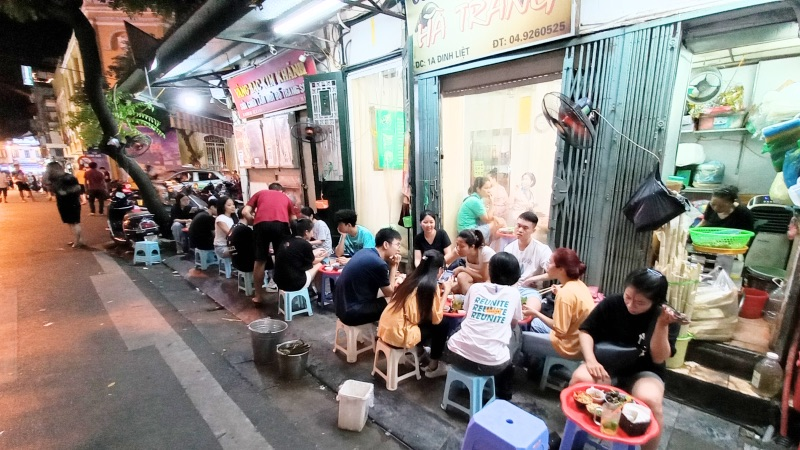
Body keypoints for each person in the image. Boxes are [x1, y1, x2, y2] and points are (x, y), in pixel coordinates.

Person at [570, 268, 682, 450]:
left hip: (644, 370)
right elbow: (586, 331)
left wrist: (662, 325)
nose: (631, 305)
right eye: (628, 297)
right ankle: (575, 436)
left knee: (650, 401)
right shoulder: (613, 303)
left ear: (656, 302)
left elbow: (659, 357)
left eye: (640, 303)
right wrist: (590, 360)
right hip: (606, 363)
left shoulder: (665, 316)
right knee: (580, 380)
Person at [446, 252, 523, 400]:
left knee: (462, 327)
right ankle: (504, 389)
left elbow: (467, 315)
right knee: (516, 331)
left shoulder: (476, 288)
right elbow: (514, 323)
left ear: (491, 270)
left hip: (456, 356)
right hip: (491, 365)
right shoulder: (514, 294)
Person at [378, 249, 455, 378]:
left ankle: (419, 353)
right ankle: (434, 366)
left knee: (425, 320)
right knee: (442, 325)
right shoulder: (431, 286)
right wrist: (446, 291)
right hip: (399, 335)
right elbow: (437, 318)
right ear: (440, 270)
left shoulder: (410, 278)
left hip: (385, 329)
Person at [521, 248, 594, 364]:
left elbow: (560, 331)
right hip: (581, 341)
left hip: (570, 346)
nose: (547, 266)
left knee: (527, 331)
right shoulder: (579, 285)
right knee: (537, 323)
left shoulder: (565, 293)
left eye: (550, 263)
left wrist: (535, 313)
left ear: (561, 269)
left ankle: (536, 366)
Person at [334, 227, 402, 326]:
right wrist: (394, 266)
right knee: (397, 300)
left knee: (382, 293)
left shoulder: (365, 252)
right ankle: (387, 335)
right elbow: (390, 292)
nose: (399, 249)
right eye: (397, 245)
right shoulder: (379, 263)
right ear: (386, 244)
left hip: (341, 308)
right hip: (351, 314)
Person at [241, 183, 295, 303]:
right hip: (281, 225)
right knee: (281, 259)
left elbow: (245, 212)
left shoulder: (260, 193)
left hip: (261, 225)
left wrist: (253, 222)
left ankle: (258, 296)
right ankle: (283, 294)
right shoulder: (285, 197)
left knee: (260, 260)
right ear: (281, 190)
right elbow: (293, 220)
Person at [503, 211, 553, 311]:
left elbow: (553, 273)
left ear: (533, 231)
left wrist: (533, 279)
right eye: (518, 226)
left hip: (531, 290)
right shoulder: (508, 249)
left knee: (530, 310)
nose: (520, 230)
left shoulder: (542, 249)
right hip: (510, 288)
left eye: (525, 228)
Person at [273, 218, 328, 292]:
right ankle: (319, 295)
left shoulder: (286, 240)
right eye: (311, 230)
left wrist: (316, 253)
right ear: (306, 232)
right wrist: (324, 256)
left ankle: (311, 291)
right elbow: (312, 262)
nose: (313, 233)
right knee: (320, 264)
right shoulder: (304, 244)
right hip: (294, 284)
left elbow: (299, 256)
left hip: (279, 282)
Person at [44, 162, 84, 247]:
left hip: (63, 202)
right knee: (74, 221)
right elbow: (78, 188)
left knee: (71, 222)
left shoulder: (55, 179)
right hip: (74, 201)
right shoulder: (69, 176)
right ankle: (78, 240)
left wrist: (63, 192)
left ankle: (77, 241)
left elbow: (47, 185)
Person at [451, 229, 495, 294]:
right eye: (457, 245)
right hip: (475, 282)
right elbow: (445, 260)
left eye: (462, 246)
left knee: (461, 277)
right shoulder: (461, 251)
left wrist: (463, 269)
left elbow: (484, 278)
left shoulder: (485, 252)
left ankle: (471, 300)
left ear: (472, 246)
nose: (458, 248)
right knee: (451, 288)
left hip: (489, 284)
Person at [227, 209, 255, 274]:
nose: (254, 218)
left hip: (235, 262)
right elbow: (256, 247)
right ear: (245, 215)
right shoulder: (245, 230)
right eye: (253, 215)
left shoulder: (234, 226)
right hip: (245, 265)